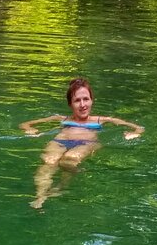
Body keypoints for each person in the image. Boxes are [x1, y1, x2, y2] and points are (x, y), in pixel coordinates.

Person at [20, 77, 144, 209]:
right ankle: (40, 196)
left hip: (85, 143)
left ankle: (62, 186)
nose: (82, 104)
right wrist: (30, 129)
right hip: (60, 142)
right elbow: (25, 124)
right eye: (77, 100)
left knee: (69, 159)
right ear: (70, 104)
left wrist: (134, 133)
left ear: (92, 100)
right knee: (49, 161)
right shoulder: (61, 119)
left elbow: (138, 127)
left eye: (86, 99)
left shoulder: (101, 120)